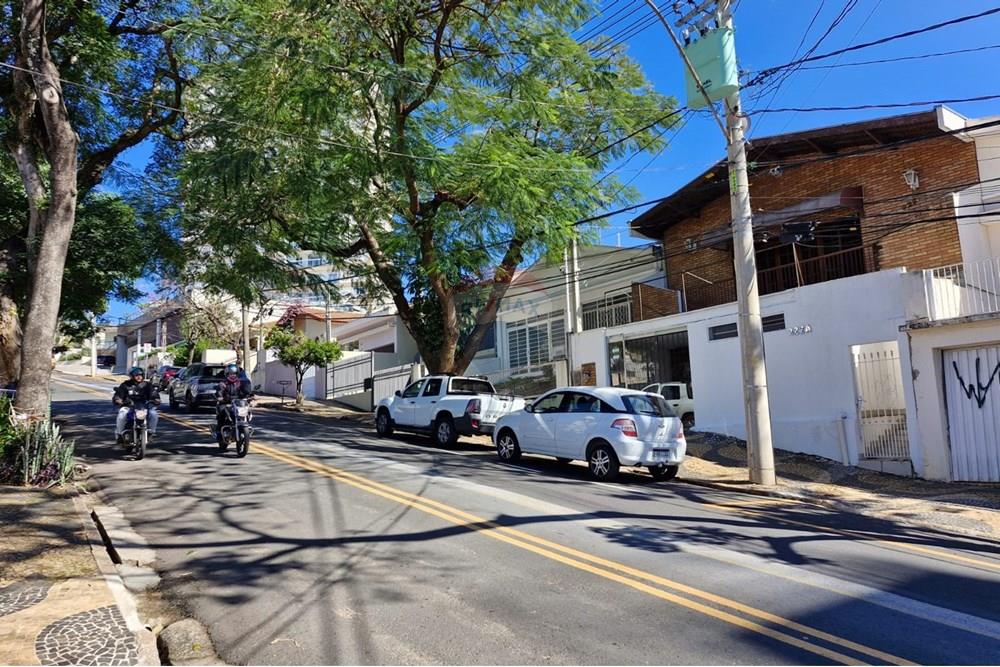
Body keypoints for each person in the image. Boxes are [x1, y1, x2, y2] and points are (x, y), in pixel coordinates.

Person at [113, 366, 160, 443]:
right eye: (136, 375)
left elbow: (154, 394)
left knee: (153, 413)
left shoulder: (147, 385)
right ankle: (119, 434)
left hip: (143, 406)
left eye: (140, 375)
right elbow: (118, 394)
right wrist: (118, 399)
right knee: (122, 414)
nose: (139, 377)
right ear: (132, 376)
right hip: (129, 406)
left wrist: (156, 399)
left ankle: (151, 433)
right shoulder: (125, 385)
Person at [214, 363, 253, 437]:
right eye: (230, 373)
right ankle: (219, 431)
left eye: (234, 373)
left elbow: (246, 391)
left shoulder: (240, 382)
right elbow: (219, 391)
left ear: (237, 374)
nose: (232, 375)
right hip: (226, 402)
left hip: (238, 403)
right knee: (222, 411)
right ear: (227, 374)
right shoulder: (223, 383)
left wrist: (250, 395)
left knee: (246, 411)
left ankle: (244, 426)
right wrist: (220, 397)